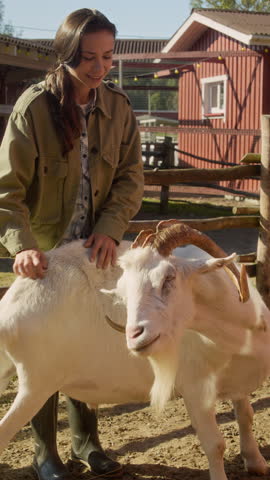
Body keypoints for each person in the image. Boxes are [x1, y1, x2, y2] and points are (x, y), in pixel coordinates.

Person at [0, 8, 144, 480]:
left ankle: (87, 443)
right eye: (88, 58)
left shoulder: (119, 107)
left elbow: (130, 179)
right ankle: (44, 453)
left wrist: (110, 226)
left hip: (96, 253)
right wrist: (21, 245)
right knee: (46, 349)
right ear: (65, 56)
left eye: (107, 56)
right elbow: (7, 192)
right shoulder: (33, 109)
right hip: (42, 260)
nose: (100, 68)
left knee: (88, 341)